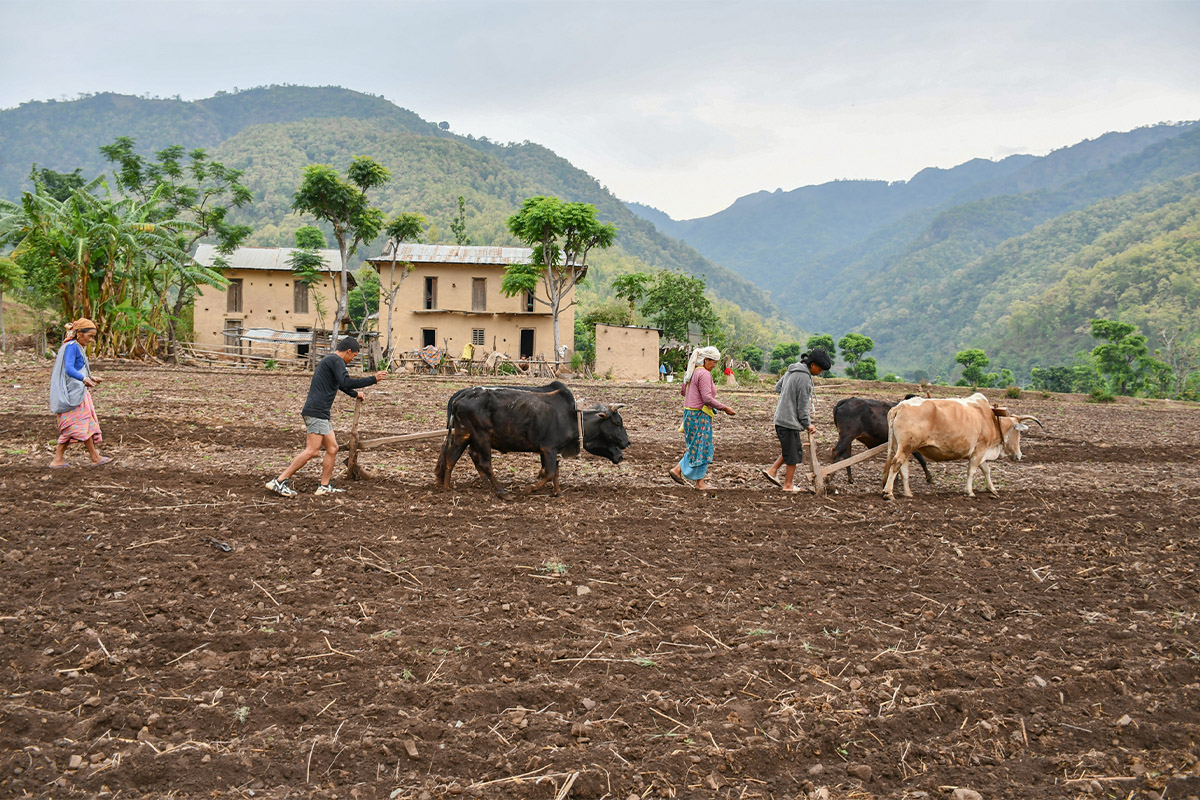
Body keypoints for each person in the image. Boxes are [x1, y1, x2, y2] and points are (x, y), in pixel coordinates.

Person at [266, 337, 387, 496]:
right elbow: (347, 381)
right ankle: (279, 481)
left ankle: (324, 485)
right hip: (316, 412)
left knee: (332, 448)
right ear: (348, 351)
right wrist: (374, 379)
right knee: (312, 451)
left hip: (321, 413)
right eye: (354, 356)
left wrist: (355, 394)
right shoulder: (336, 361)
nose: (352, 360)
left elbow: (342, 385)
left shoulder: (331, 360)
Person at [762, 348, 832, 492]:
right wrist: (808, 424)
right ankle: (788, 485)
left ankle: (772, 471)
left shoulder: (791, 370)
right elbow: (802, 407)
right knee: (793, 454)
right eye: (820, 369)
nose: (820, 373)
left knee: (790, 449)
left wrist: (788, 397)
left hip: (781, 419)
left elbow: (778, 387)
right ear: (812, 365)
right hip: (789, 421)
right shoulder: (805, 379)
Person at [669, 345, 736, 490]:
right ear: (706, 360)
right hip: (699, 415)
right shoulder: (704, 374)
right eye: (713, 362)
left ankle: (688, 475)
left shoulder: (692, 372)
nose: (714, 365)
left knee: (697, 446)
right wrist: (724, 408)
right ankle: (692, 478)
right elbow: (706, 398)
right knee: (703, 447)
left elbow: (683, 391)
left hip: (689, 414)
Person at [48, 318, 111, 468]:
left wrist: (91, 377)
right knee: (79, 425)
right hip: (74, 395)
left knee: (79, 425)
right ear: (79, 333)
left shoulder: (76, 347)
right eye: (89, 336)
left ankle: (61, 460)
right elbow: (69, 369)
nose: (91, 340)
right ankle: (93, 457)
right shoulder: (72, 347)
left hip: (79, 393)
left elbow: (76, 368)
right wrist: (84, 379)